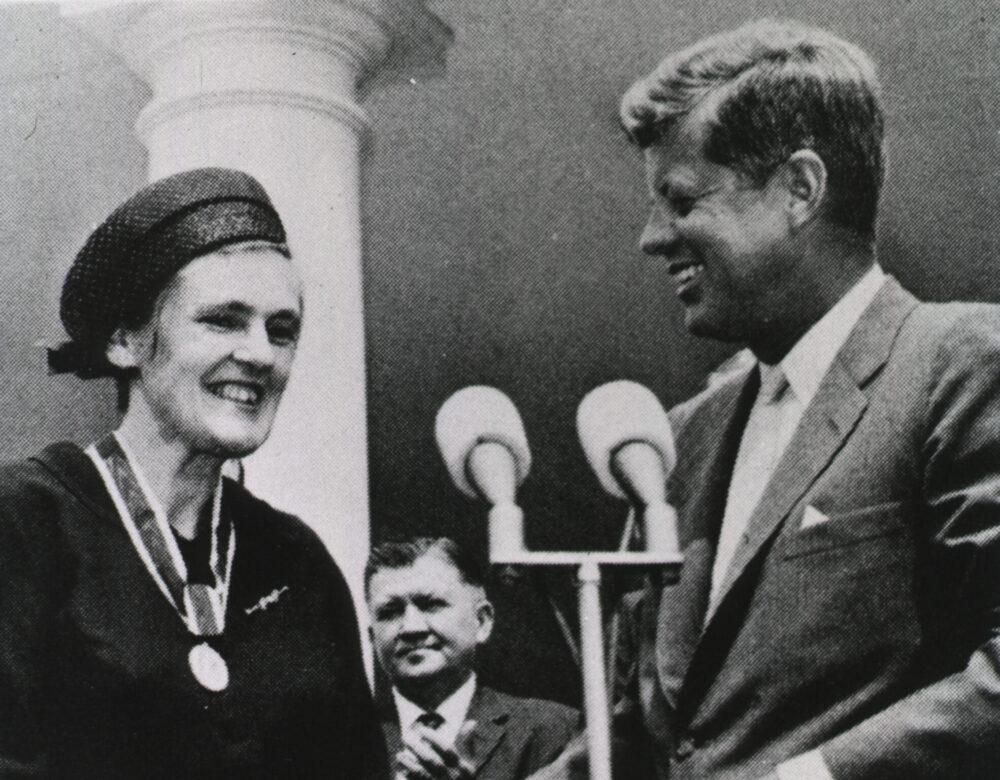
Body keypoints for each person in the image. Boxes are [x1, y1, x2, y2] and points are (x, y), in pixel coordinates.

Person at [535, 18, 1000, 780]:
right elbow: (639, 735)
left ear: (800, 189)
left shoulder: (959, 365)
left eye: (681, 200)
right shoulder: (680, 441)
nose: (652, 238)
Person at [0, 168, 388, 779]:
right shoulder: (24, 521)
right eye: (223, 320)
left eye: (281, 330)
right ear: (125, 340)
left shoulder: (298, 560)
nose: (261, 354)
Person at [366, 537, 578, 780]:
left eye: (431, 605)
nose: (411, 628)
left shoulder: (553, 731)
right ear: (372, 637)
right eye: (390, 613)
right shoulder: (338, 742)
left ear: (482, 621)